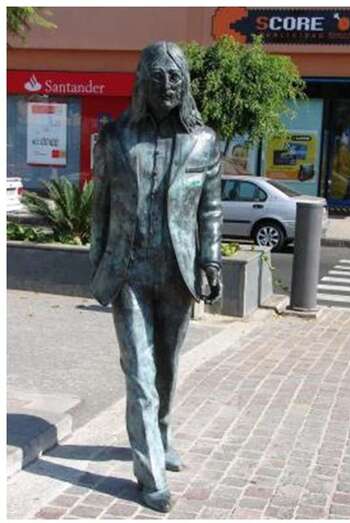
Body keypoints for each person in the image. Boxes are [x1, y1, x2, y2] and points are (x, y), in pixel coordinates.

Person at [90, 42, 223, 513]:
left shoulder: (203, 141)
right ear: (141, 81)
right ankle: (150, 477)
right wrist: (97, 263)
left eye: (175, 76)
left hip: (176, 274)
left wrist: (211, 262)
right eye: (157, 75)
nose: (167, 84)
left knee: (167, 369)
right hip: (127, 271)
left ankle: (161, 437)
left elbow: (210, 210)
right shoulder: (115, 138)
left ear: (185, 83)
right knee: (140, 374)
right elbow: (100, 207)